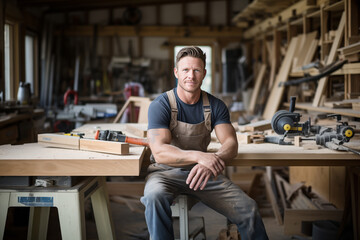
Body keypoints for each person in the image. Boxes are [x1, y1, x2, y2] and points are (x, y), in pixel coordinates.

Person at [140, 46, 268, 240]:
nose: (191, 75)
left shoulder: (215, 105)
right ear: (176, 72)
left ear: (204, 73)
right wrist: (199, 156)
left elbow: (231, 144)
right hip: (165, 173)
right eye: (185, 70)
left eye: (196, 70)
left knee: (248, 208)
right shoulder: (162, 104)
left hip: (203, 173)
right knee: (153, 196)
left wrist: (212, 161)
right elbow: (160, 152)